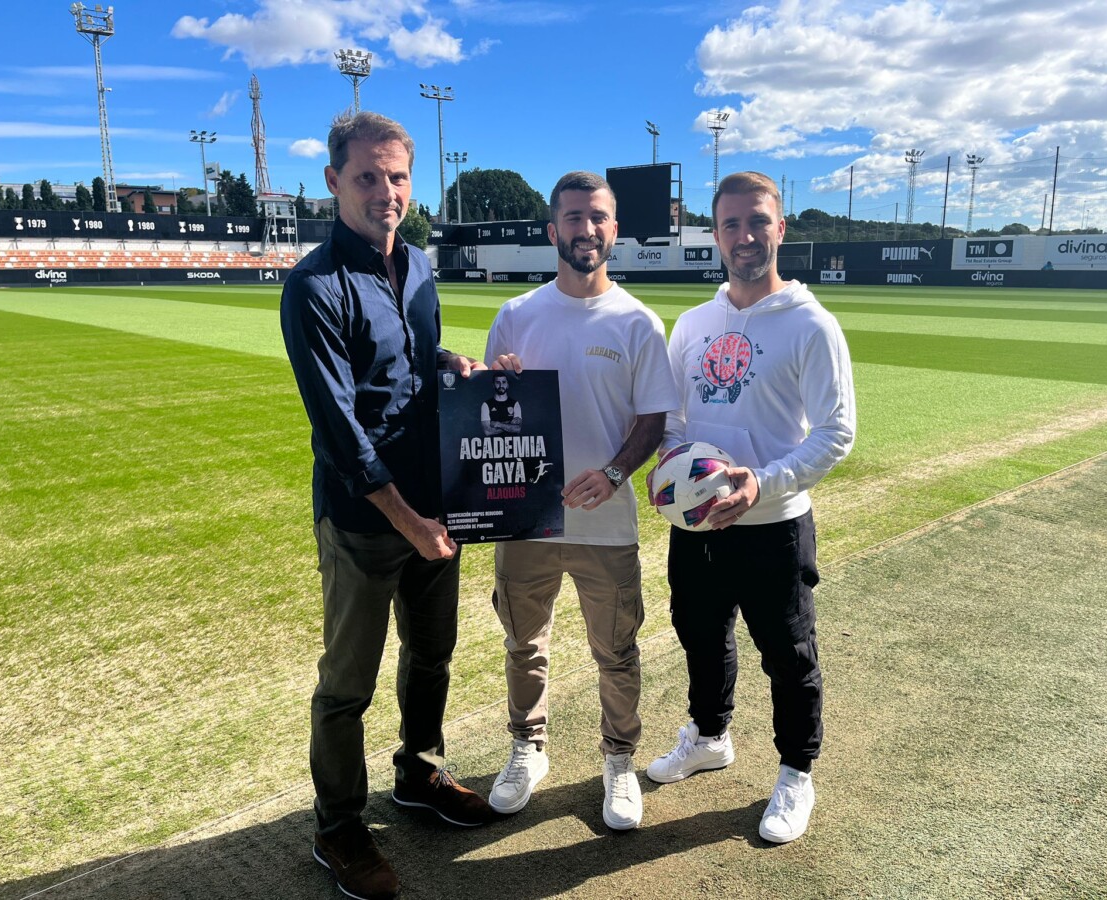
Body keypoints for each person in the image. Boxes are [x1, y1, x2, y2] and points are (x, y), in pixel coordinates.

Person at [280, 111, 492, 900]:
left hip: (436, 504)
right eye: (367, 176)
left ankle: (417, 774)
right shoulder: (313, 286)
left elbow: (406, 363)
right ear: (333, 182)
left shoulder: (422, 265)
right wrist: (411, 522)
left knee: (432, 655)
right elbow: (340, 428)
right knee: (347, 687)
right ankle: (338, 828)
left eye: (397, 176)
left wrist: (454, 364)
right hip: (366, 521)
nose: (386, 191)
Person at [645, 171, 855, 844]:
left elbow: (836, 432)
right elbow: (674, 417)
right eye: (731, 224)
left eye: (758, 221)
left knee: (789, 653)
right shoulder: (694, 323)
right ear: (715, 235)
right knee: (700, 635)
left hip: (774, 526)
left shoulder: (811, 324)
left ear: (780, 228)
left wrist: (761, 484)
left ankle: (797, 772)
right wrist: (671, 468)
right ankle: (710, 737)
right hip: (699, 525)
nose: (745, 235)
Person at [483, 171, 678, 830]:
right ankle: (528, 748)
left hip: (606, 523)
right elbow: (490, 417)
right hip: (527, 520)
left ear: (614, 230)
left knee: (616, 652)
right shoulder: (516, 316)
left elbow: (653, 419)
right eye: (573, 217)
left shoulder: (638, 322)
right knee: (523, 644)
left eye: (597, 217)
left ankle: (619, 760)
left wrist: (616, 473)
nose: (586, 229)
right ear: (553, 230)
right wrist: (497, 389)